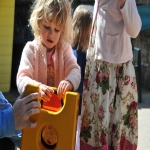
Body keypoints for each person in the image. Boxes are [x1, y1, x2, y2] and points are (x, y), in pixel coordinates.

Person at [80, 0, 141, 149]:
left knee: (116, 129)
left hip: (115, 69)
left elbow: (135, 29)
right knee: (96, 125)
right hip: (99, 63)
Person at [17, 0, 81, 101]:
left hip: (58, 109)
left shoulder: (64, 49)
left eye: (57, 30)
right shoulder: (30, 49)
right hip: (35, 108)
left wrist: (69, 82)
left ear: (62, 30)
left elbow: (75, 70)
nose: (51, 34)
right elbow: (22, 78)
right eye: (47, 27)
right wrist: (37, 88)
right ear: (38, 22)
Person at [71, 5, 93, 150]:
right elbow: (79, 85)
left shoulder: (72, 51)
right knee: (77, 139)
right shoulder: (80, 55)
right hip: (79, 107)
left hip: (76, 106)